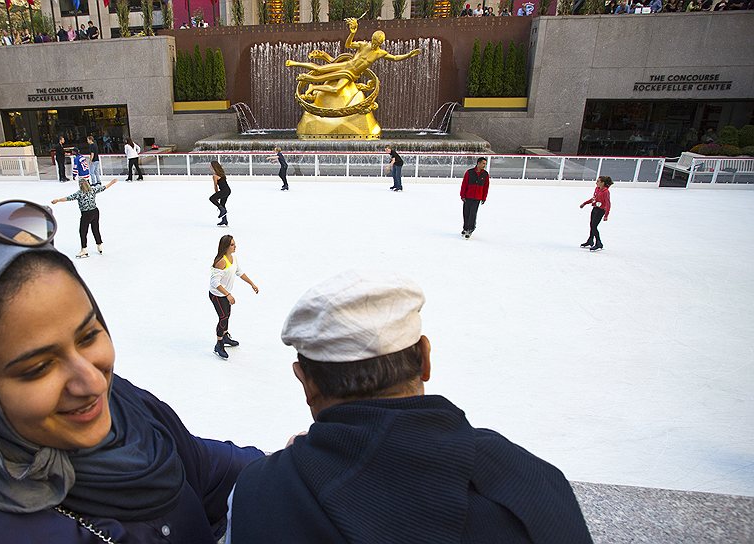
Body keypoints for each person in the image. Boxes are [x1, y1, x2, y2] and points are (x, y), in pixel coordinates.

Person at [0, 201, 264, 543]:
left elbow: (204, 465)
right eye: (39, 367)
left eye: (89, 334)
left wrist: (297, 466)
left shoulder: (123, 406)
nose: (93, 382)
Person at [226, 270, 594, 544]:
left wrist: (284, 472)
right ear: (426, 358)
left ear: (305, 382)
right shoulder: (530, 479)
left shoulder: (258, 494)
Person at [285, 18, 419, 102]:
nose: (373, 44)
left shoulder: (380, 53)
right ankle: (295, 63)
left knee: (335, 89)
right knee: (319, 69)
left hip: (352, 74)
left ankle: (313, 86)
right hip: (346, 65)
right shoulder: (363, 45)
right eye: (373, 40)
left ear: (380, 43)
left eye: (376, 42)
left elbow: (395, 58)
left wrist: (408, 55)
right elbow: (348, 45)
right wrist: (352, 33)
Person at [208, 235, 259, 360]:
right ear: (225, 247)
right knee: (223, 317)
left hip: (225, 294)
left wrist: (252, 283)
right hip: (217, 295)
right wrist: (228, 294)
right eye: (232, 244)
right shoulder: (221, 261)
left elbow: (239, 272)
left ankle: (225, 336)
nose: (235, 246)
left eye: (234, 244)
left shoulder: (233, 258)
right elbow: (215, 283)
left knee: (227, 315)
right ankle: (219, 344)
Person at [52, 177, 118, 258]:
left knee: (83, 231)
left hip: (86, 214)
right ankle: (99, 245)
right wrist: (112, 182)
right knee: (95, 229)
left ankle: (84, 249)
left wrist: (57, 200)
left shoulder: (79, 193)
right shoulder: (92, 190)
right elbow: (103, 188)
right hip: (95, 212)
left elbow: (68, 198)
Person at [580, 175, 612, 252]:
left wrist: (606, 215)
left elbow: (608, 203)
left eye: (598, 181)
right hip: (595, 209)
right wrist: (585, 203)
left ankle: (598, 242)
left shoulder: (606, 192)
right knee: (592, 225)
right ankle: (590, 240)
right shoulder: (597, 189)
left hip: (601, 211)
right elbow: (594, 198)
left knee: (594, 226)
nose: (596, 183)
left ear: (603, 183)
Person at [460, 157, 489, 239]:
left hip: (477, 198)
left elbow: (486, 187)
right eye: (483, 163)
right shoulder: (469, 172)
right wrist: (462, 195)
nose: (484, 165)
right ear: (478, 163)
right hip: (468, 197)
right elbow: (464, 184)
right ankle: (465, 228)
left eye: (485, 164)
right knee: (466, 213)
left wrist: (484, 197)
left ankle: (470, 229)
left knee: (473, 214)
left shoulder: (485, 174)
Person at [209, 161, 231, 227]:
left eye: (210, 166)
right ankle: (224, 220)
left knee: (212, 198)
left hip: (224, 191)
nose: (209, 167)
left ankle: (222, 210)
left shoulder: (215, 176)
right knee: (222, 204)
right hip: (228, 190)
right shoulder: (221, 173)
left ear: (213, 167)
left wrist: (216, 195)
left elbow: (216, 186)